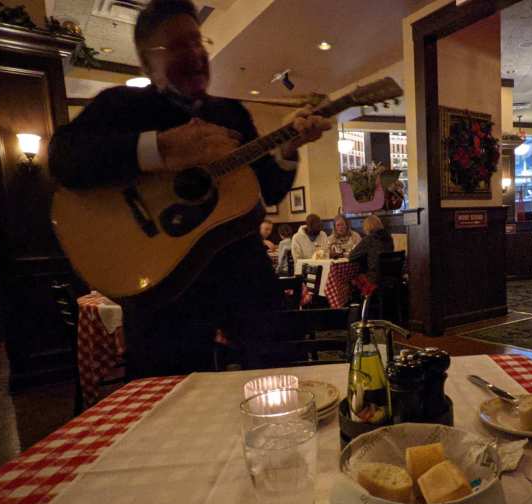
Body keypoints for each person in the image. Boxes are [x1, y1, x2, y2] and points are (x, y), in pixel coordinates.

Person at [48, 0, 331, 377]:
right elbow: (62, 158)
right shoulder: (120, 105)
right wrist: (162, 149)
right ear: (147, 63)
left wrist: (290, 147)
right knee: (165, 396)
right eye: (179, 45)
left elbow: (270, 189)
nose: (196, 54)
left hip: (242, 273)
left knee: (278, 376)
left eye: (198, 42)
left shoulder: (230, 112)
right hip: (164, 286)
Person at [349, 214, 394, 285]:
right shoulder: (389, 238)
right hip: (390, 275)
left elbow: (351, 256)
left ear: (367, 227)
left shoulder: (369, 239)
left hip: (373, 278)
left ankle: (357, 295)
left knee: (350, 278)